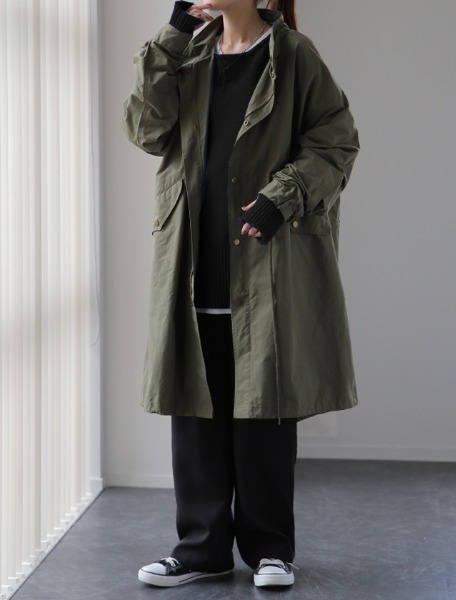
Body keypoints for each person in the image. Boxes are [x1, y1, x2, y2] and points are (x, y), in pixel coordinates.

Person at [121, 0, 360, 589]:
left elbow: (336, 142)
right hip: (193, 254)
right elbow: (145, 129)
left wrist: (284, 196)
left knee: (263, 410)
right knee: (194, 408)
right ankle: (200, 549)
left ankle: (271, 549)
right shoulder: (188, 54)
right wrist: (174, 32)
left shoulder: (293, 55)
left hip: (265, 260)